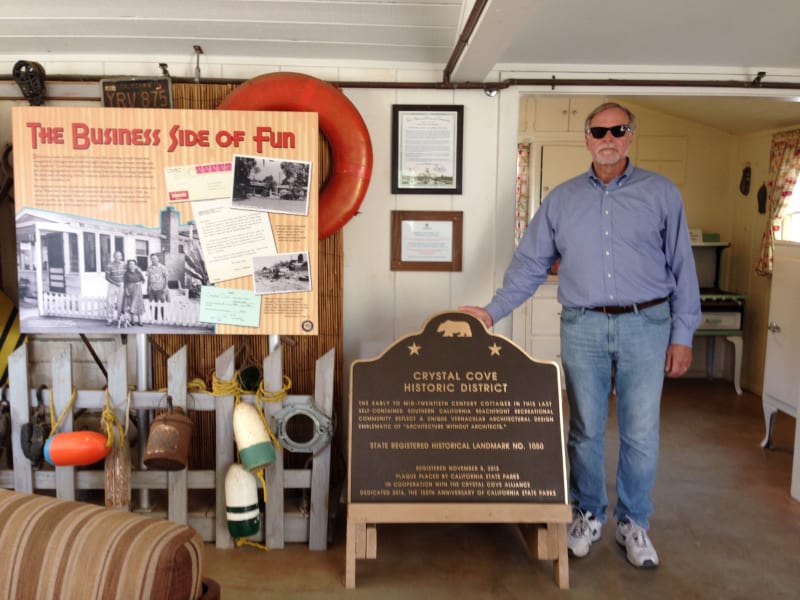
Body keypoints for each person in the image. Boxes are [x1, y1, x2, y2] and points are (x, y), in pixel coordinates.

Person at [460, 102, 700, 569]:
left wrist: (683, 334)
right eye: (598, 130)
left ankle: (634, 523)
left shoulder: (661, 193)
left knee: (641, 431)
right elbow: (529, 266)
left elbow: (683, 267)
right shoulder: (562, 199)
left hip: (647, 323)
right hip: (583, 324)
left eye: (618, 129)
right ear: (586, 138)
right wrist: (490, 313)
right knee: (584, 429)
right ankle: (588, 513)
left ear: (630, 135)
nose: (607, 137)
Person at [120, 259, 146, 326]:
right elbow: (125, 283)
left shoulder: (138, 272)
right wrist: (126, 291)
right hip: (129, 289)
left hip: (137, 290)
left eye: (133, 264)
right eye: (130, 264)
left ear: (135, 265)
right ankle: (132, 321)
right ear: (128, 265)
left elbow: (143, 280)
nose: (131, 265)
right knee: (131, 304)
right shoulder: (126, 273)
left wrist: (139, 282)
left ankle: (140, 321)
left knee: (138, 304)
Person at [104, 251, 126, 325]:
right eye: (116, 256)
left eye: (119, 256)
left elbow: (127, 274)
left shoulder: (124, 265)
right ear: (114, 257)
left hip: (121, 285)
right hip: (112, 285)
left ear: (121, 257)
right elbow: (107, 277)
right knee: (110, 302)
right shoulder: (109, 265)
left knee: (120, 303)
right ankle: (109, 319)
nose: (118, 257)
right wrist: (115, 283)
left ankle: (119, 319)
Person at [146, 253, 169, 321]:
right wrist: (147, 288)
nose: (153, 260)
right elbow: (148, 279)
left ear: (157, 258)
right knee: (153, 305)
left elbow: (166, 278)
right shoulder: (149, 268)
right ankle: (155, 319)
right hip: (152, 289)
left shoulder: (162, 267)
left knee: (162, 305)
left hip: (160, 289)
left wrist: (164, 287)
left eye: (154, 258)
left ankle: (164, 319)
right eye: (152, 258)